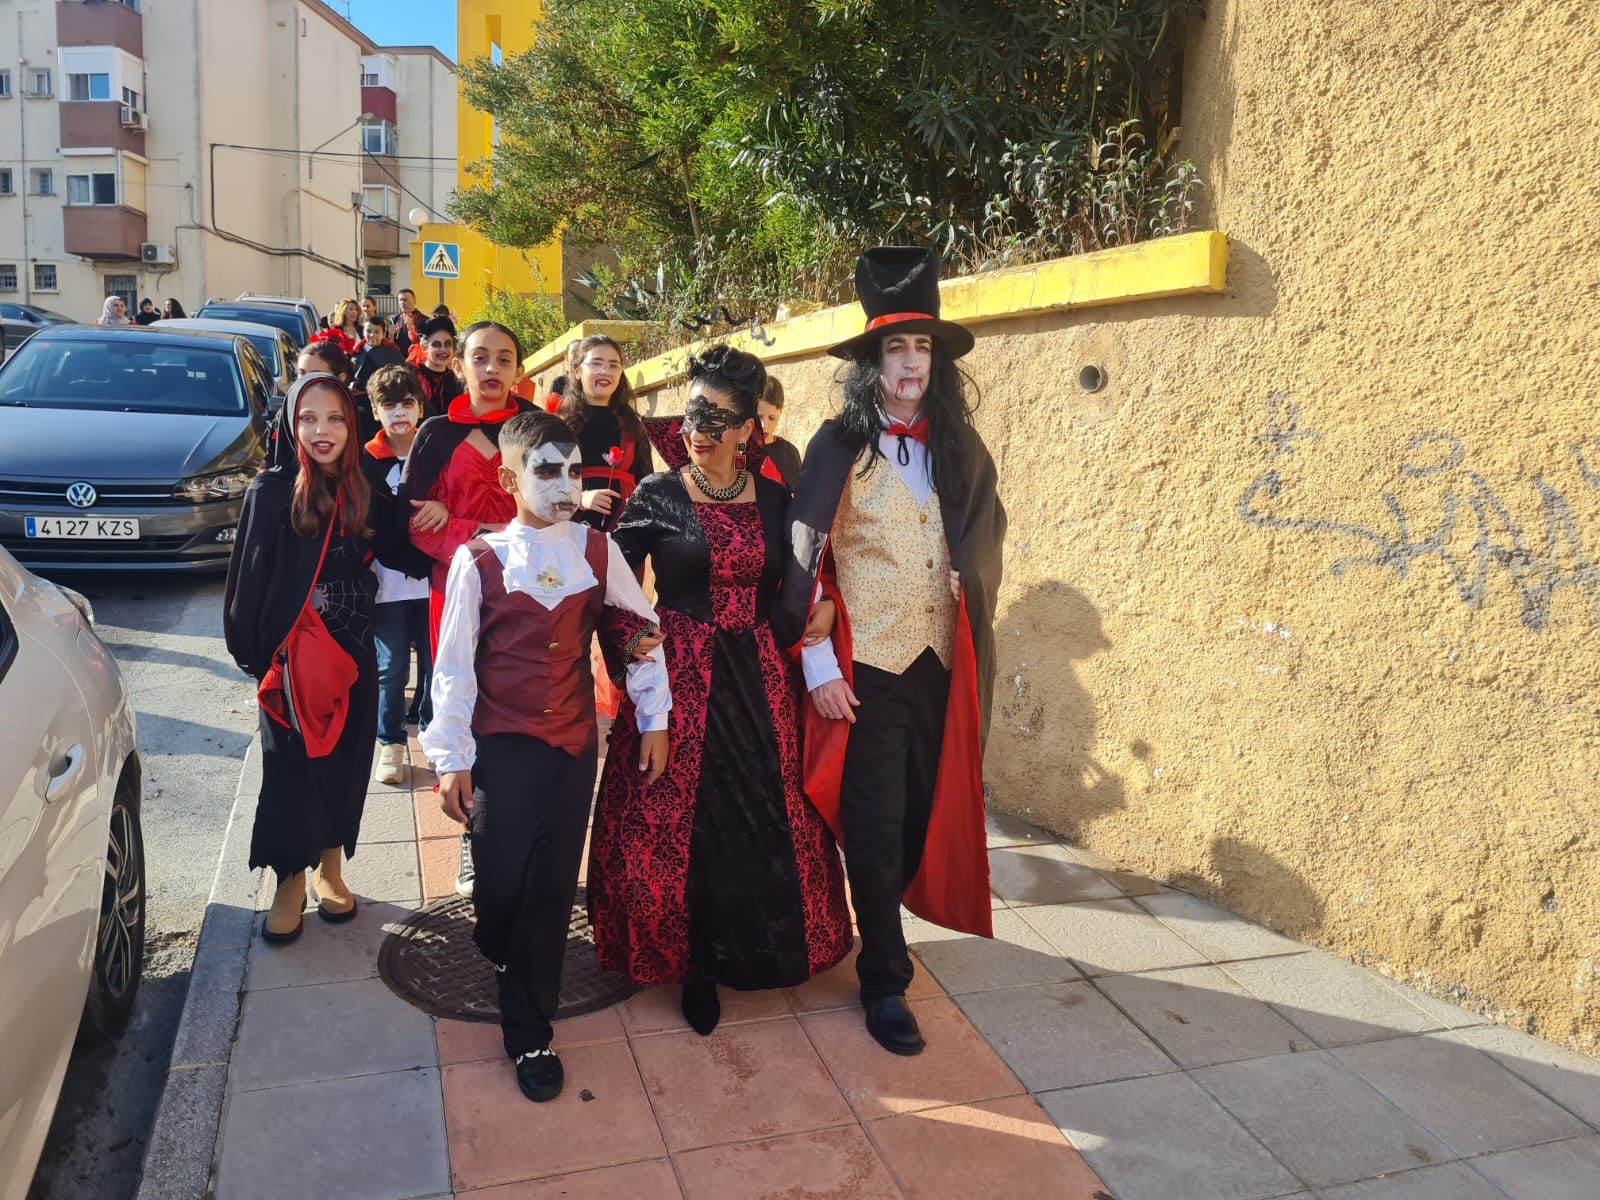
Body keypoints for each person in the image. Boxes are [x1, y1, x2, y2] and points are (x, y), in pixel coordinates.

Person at [774, 246, 1007, 1057]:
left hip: (941, 669)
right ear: (872, 361)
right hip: (865, 673)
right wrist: (819, 663)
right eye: (896, 348)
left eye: (923, 348)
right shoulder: (839, 443)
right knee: (873, 828)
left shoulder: (959, 445)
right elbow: (805, 560)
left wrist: (966, 579)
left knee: (917, 818)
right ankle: (884, 979)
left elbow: (986, 537)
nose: (911, 363)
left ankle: (890, 930)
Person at [589, 344, 852, 1035]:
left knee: (763, 824)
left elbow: (803, 581)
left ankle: (755, 949)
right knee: (687, 829)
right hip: (680, 682)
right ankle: (695, 965)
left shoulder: (775, 499)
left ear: (747, 430)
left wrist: (824, 607)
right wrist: (631, 648)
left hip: (762, 684)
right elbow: (615, 595)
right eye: (693, 413)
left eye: (718, 419)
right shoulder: (657, 495)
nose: (699, 431)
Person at [423, 410, 671, 1103]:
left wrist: (655, 717)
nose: (564, 484)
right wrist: (451, 757)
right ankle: (499, 944)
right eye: (546, 470)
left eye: (574, 471)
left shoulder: (597, 550)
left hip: (570, 748)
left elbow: (639, 629)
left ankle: (530, 1029)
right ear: (509, 478)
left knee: (552, 887)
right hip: (500, 749)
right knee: (501, 886)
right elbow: (453, 667)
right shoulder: (480, 560)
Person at [223, 374, 434, 944]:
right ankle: (288, 879)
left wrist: (442, 515)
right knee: (289, 766)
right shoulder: (269, 492)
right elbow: (248, 583)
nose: (322, 431)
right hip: (289, 661)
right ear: (291, 424)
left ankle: (330, 867)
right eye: (309, 418)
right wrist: (258, 657)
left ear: (352, 423)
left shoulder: (367, 485)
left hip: (353, 649)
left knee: (346, 762)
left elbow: (404, 547)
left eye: (336, 418)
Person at [400, 321, 538, 897]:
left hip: (527, 592)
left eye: (503, 359)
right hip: (455, 591)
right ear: (458, 365)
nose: (491, 369)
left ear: (517, 370)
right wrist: (480, 531)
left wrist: (465, 525)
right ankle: (471, 838)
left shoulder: (535, 431)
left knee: (525, 707)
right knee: (462, 706)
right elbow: (411, 523)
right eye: (479, 357)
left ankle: (526, 832)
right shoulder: (435, 434)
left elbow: (556, 503)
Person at [362, 366, 433, 786]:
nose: (399, 412)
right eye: (389, 404)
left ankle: (431, 733)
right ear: (375, 411)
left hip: (433, 578)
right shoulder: (364, 461)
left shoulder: (435, 452)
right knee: (390, 668)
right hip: (385, 580)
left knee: (435, 660)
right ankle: (389, 744)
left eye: (407, 403)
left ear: (420, 407)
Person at [555, 335, 655, 531]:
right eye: (596, 363)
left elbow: (646, 480)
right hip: (570, 533)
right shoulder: (558, 425)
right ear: (577, 371)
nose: (605, 371)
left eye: (613, 365)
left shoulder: (632, 423)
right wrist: (580, 499)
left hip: (625, 532)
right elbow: (544, 481)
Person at [756, 374, 802, 491]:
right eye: (758, 417)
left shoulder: (788, 452)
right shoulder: (737, 450)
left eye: (772, 418)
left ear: (780, 412)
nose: (764, 425)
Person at [412, 316, 465, 415]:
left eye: (448, 344)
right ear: (424, 348)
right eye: (436, 344)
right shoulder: (412, 377)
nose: (443, 349)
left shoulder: (457, 380)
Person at [352, 315, 407, 403]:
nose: (372, 335)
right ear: (363, 331)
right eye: (368, 331)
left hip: (383, 398)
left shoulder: (392, 353)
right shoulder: (356, 351)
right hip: (358, 399)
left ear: (383, 334)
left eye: (377, 332)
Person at [391, 288, 421, 353]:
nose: (402, 303)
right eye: (400, 300)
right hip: (398, 357)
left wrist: (412, 329)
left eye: (405, 300)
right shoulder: (394, 319)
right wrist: (391, 336)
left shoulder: (423, 320)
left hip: (416, 358)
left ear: (414, 301)